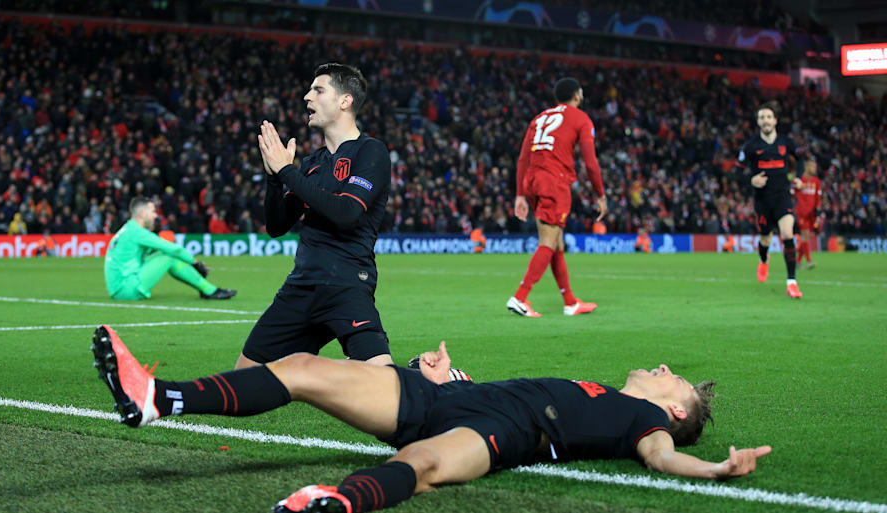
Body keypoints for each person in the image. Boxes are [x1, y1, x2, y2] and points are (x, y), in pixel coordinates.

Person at [90, 325, 771, 513]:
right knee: (300, 366)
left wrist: (714, 466)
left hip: (503, 435)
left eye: (670, 374)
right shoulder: (605, 388)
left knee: (418, 468)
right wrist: (450, 376)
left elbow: (661, 459)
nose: (659, 364)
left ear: (675, 406)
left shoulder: (644, 425)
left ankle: (333, 502)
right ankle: (158, 397)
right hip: (454, 399)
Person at [237, 62, 393, 369]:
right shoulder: (312, 163)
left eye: (318, 90)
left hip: (346, 285)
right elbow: (277, 226)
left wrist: (286, 171)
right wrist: (273, 178)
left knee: (387, 387)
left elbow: (347, 213)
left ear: (345, 101)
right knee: (242, 378)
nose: (307, 97)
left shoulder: (371, 152)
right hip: (301, 286)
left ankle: (438, 380)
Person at [508, 77, 608, 318]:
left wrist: (520, 194)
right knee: (548, 241)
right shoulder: (580, 118)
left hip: (533, 180)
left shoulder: (539, 118)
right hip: (554, 181)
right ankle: (520, 297)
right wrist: (601, 194)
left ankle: (570, 302)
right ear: (577, 95)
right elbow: (591, 162)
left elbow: (522, 158)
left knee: (557, 243)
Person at [104, 196, 236, 300]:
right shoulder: (137, 232)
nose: (156, 215)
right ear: (143, 214)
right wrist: (195, 263)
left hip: (118, 288)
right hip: (127, 289)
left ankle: (208, 290)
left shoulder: (128, 229)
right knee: (169, 255)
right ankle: (209, 290)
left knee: (167, 255)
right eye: (153, 211)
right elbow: (175, 249)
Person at [736, 102, 804, 299]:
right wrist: (751, 179)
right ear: (758, 122)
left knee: (786, 233)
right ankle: (764, 260)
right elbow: (737, 171)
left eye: (768, 117)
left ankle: (792, 282)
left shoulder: (787, 142)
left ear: (775, 120)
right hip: (762, 200)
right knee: (765, 238)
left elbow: (800, 159)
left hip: (783, 196)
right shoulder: (750, 146)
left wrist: (798, 177)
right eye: (762, 117)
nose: (765, 120)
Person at [793, 160, 822, 269]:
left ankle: (798, 261)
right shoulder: (800, 181)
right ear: (806, 167)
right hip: (801, 213)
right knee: (805, 235)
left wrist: (818, 209)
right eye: (812, 166)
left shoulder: (816, 182)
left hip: (812, 214)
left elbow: (818, 197)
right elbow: (792, 194)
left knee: (806, 237)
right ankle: (809, 261)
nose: (814, 169)